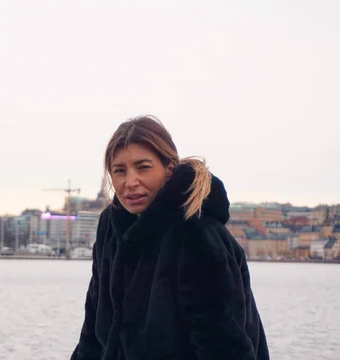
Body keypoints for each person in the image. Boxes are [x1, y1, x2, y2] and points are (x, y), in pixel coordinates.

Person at [71, 116, 270, 360]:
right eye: (119, 170)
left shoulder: (197, 235)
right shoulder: (111, 228)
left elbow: (224, 347)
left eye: (143, 167)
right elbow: (92, 333)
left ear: (169, 169)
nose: (130, 182)